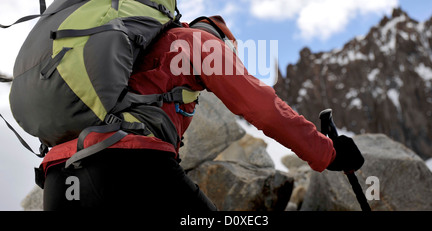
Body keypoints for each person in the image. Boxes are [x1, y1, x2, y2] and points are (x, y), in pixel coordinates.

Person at [41, 14, 363, 211]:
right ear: (221, 40)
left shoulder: (138, 50)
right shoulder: (198, 42)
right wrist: (329, 152)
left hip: (60, 178)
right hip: (132, 166)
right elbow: (263, 107)